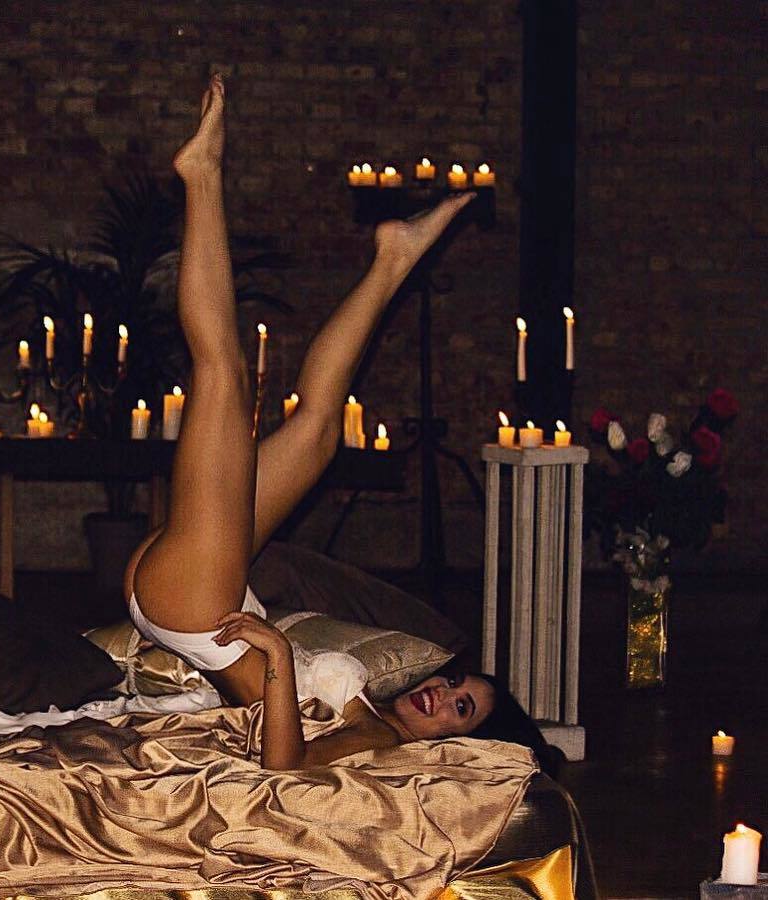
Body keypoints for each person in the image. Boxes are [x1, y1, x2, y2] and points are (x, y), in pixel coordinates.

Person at [125, 74, 552, 774]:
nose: (441, 695)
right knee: (320, 431)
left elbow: (286, 767)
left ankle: (202, 177)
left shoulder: (381, 740)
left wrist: (277, 653)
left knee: (224, 375)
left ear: (455, 746)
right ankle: (393, 259)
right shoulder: (376, 706)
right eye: (457, 686)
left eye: (459, 710)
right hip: (204, 590)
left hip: (194, 608)